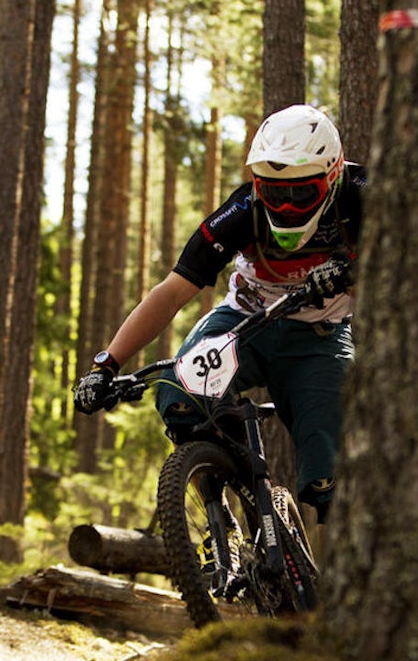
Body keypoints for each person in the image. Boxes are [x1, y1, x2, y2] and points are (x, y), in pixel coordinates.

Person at [73, 104, 367, 524]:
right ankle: (229, 501)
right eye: (273, 192)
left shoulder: (365, 193)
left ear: (333, 174)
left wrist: (355, 272)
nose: (285, 207)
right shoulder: (242, 210)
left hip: (319, 339)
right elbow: (173, 290)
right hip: (244, 324)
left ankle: (333, 574)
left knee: (329, 475)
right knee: (177, 398)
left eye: (301, 193)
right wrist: (107, 364)